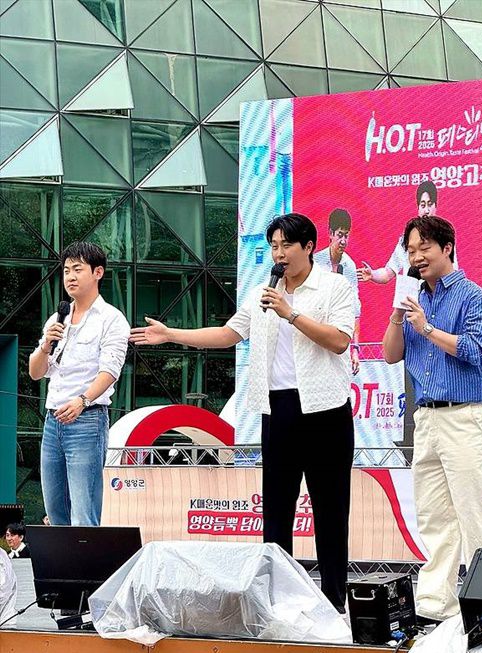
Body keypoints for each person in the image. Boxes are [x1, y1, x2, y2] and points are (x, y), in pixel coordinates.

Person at [130, 213, 355, 612]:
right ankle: (276, 601)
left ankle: (335, 603)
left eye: (286, 245)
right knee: (277, 511)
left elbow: (339, 341)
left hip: (325, 411)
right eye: (274, 246)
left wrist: (290, 313)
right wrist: (170, 334)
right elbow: (227, 334)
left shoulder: (334, 286)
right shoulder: (261, 293)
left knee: (330, 511)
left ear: (309, 247)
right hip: (278, 409)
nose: (279, 253)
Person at [383, 215, 482, 623]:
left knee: (475, 511)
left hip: (464, 416)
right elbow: (391, 354)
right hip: (426, 419)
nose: (416, 257)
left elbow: (474, 350)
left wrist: (427, 327)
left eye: (424, 248)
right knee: (434, 517)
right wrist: (397, 316)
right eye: (411, 251)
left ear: (447, 247)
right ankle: (436, 605)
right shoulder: (413, 299)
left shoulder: (475, 297)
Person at [29, 242, 130, 527]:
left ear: (98, 272)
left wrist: (82, 401)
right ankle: (62, 559)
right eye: (66, 271)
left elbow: (110, 371)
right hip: (53, 422)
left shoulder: (112, 319)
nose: (70, 277)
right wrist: (46, 345)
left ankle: (88, 559)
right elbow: (35, 372)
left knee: (84, 512)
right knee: (55, 509)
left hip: (87, 420)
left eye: (77, 269)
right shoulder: (57, 318)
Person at [359, 181, 458, 284]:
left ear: (435, 206)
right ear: (418, 208)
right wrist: (372, 274)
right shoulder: (407, 238)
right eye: (423, 205)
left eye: (430, 205)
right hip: (411, 292)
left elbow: (453, 274)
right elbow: (388, 273)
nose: (426, 210)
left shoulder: (444, 236)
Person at [315, 208, 361, 374]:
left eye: (346, 236)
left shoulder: (349, 266)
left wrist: (355, 349)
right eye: (340, 235)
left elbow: (355, 311)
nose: (343, 241)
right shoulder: (315, 263)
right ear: (330, 234)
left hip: (340, 338)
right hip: (316, 335)